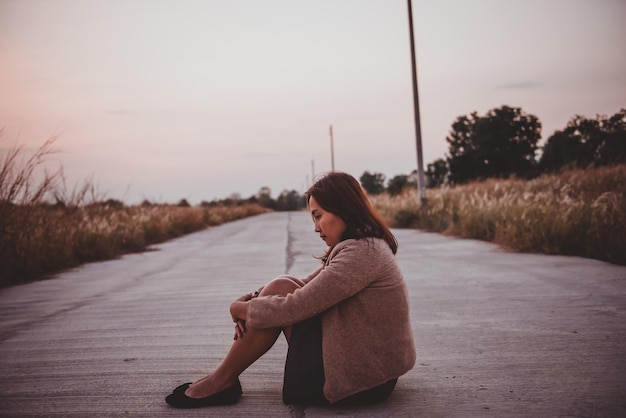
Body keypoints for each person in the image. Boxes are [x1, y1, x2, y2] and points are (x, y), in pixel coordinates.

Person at [165, 171, 416, 408]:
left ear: (344, 210)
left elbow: (297, 305)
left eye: (318, 216)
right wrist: (255, 300)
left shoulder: (362, 253)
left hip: (362, 381)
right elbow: (309, 286)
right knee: (282, 284)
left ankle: (220, 381)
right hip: (370, 370)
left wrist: (241, 309)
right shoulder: (363, 246)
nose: (316, 227)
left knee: (281, 290)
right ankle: (222, 378)